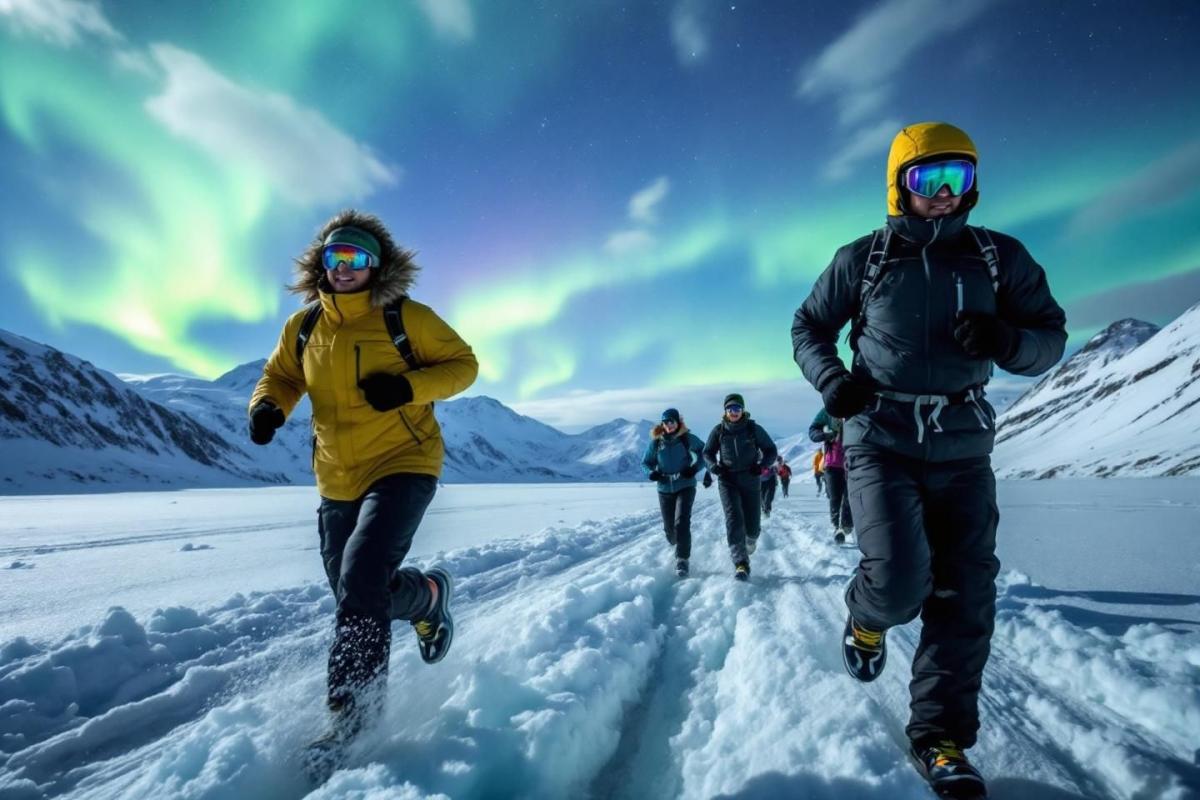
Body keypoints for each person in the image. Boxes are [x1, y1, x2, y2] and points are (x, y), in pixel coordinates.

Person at [791, 122, 1066, 796]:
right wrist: (833, 381)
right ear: (899, 184)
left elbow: (1049, 337)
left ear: (973, 185)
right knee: (900, 579)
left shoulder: (1000, 258)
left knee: (966, 593)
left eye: (958, 180)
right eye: (927, 180)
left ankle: (940, 738)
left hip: (963, 447)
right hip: (879, 438)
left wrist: (1008, 338)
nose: (944, 195)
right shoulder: (865, 259)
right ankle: (865, 617)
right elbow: (809, 327)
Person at [248, 210, 479, 754]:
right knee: (357, 592)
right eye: (334, 256)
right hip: (336, 477)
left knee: (362, 576)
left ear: (376, 267)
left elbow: (463, 365)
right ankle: (424, 599)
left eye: (355, 258)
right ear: (321, 264)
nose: (343, 267)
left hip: (405, 462)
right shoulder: (303, 326)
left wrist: (406, 388)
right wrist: (266, 406)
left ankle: (353, 721)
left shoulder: (406, 317)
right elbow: (280, 375)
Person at [703, 393, 778, 581]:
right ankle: (740, 563)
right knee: (734, 518)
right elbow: (707, 453)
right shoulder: (719, 431)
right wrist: (714, 466)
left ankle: (750, 540)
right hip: (727, 480)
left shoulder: (753, 429)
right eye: (730, 409)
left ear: (742, 410)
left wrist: (761, 467)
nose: (733, 412)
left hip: (751, 479)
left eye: (737, 408)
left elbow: (771, 450)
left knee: (752, 526)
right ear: (725, 411)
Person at [642, 407, 706, 577]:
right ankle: (677, 543)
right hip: (664, 489)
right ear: (662, 424)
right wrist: (650, 473)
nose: (669, 425)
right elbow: (645, 463)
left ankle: (682, 560)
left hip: (685, 486)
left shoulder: (687, 439)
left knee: (681, 523)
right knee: (671, 532)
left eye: (672, 421)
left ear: (678, 422)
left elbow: (704, 452)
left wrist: (695, 469)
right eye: (666, 422)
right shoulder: (656, 443)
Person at [809, 410, 852, 543]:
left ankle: (847, 524)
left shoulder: (858, 405)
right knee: (835, 497)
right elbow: (813, 431)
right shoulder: (828, 411)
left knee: (850, 497)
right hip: (832, 464)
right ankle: (837, 527)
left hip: (853, 464)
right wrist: (825, 435)